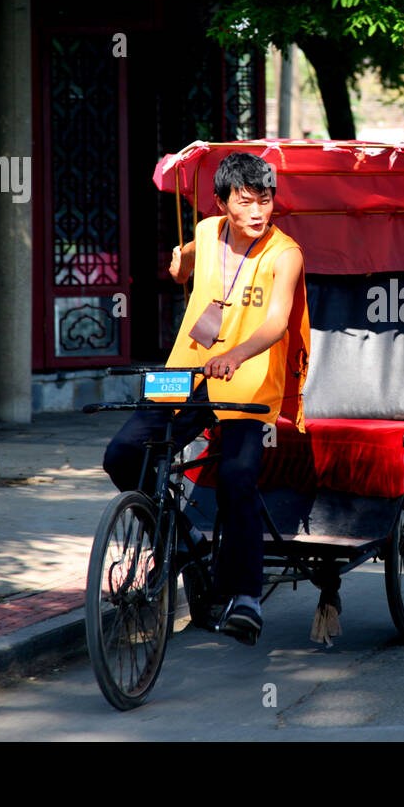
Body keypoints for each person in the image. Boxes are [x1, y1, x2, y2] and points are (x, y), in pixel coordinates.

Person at [103, 152, 309, 645]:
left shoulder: (286, 253)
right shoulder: (209, 230)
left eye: (266, 199)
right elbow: (186, 256)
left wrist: (235, 355)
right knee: (123, 455)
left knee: (237, 476)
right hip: (187, 373)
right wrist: (178, 265)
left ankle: (246, 597)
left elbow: (279, 322)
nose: (258, 211)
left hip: (250, 381)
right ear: (222, 204)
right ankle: (187, 539)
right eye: (245, 201)